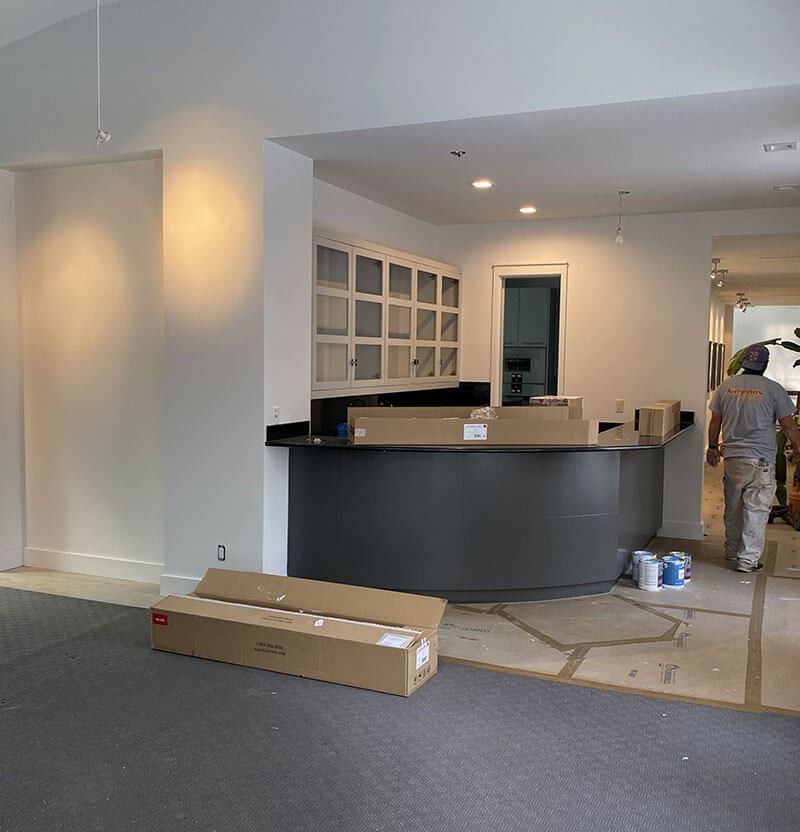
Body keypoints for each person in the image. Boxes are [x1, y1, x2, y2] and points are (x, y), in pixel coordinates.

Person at [707, 344, 800, 572]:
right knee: (756, 510)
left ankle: (731, 550)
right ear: (765, 365)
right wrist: (798, 447)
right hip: (761, 461)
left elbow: (715, 421)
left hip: (733, 458)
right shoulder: (773, 389)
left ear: (744, 363)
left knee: (734, 506)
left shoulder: (725, 387)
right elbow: (788, 424)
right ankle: (747, 560)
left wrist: (711, 447)